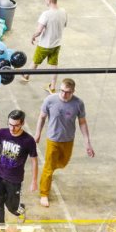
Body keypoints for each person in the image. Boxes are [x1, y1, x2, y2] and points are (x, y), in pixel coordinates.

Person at [34, 79, 94, 208]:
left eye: (67, 92)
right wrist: (37, 133)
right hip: (53, 140)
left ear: (73, 91)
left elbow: (82, 122)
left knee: (63, 163)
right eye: (62, 91)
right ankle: (44, 193)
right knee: (49, 167)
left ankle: (48, 174)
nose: (63, 94)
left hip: (68, 139)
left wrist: (87, 142)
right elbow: (42, 117)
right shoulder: (50, 100)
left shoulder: (78, 104)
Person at [0, 110, 38, 224]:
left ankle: (20, 209)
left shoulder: (28, 140)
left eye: (16, 126)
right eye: (10, 124)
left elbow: (34, 161)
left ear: (22, 124)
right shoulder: (2, 133)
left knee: (12, 207)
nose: (12, 128)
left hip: (14, 179)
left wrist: (34, 181)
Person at [22, 0, 67, 93]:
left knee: (35, 62)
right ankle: (52, 87)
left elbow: (39, 31)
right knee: (54, 66)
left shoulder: (46, 14)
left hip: (45, 45)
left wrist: (33, 36)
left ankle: (26, 76)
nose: (45, 1)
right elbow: (64, 25)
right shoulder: (63, 11)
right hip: (56, 44)